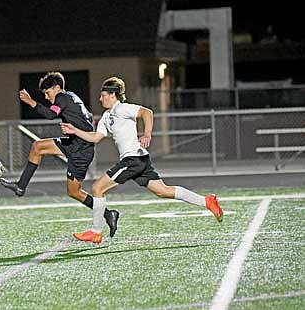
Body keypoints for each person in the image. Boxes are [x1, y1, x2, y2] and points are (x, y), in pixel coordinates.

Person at [60, 76, 224, 244]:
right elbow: (95, 137)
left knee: (97, 188)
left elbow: (147, 113)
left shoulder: (122, 109)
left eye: (103, 95)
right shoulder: (106, 117)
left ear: (113, 95)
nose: (100, 98)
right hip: (138, 159)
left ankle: (96, 231)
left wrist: (147, 133)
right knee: (163, 191)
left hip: (133, 159)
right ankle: (207, 201)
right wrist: (75, 131)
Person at [0, 71, 120, 237]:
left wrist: (30, 102)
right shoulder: (70, 96)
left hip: (80, 151)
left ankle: (108, 214)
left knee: (74, 192)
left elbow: (50, 114)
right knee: (37, 147)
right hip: (73, 143)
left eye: (48, 93)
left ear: (57, 88)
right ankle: (21, 186)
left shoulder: (62, 98)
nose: (47, 97)